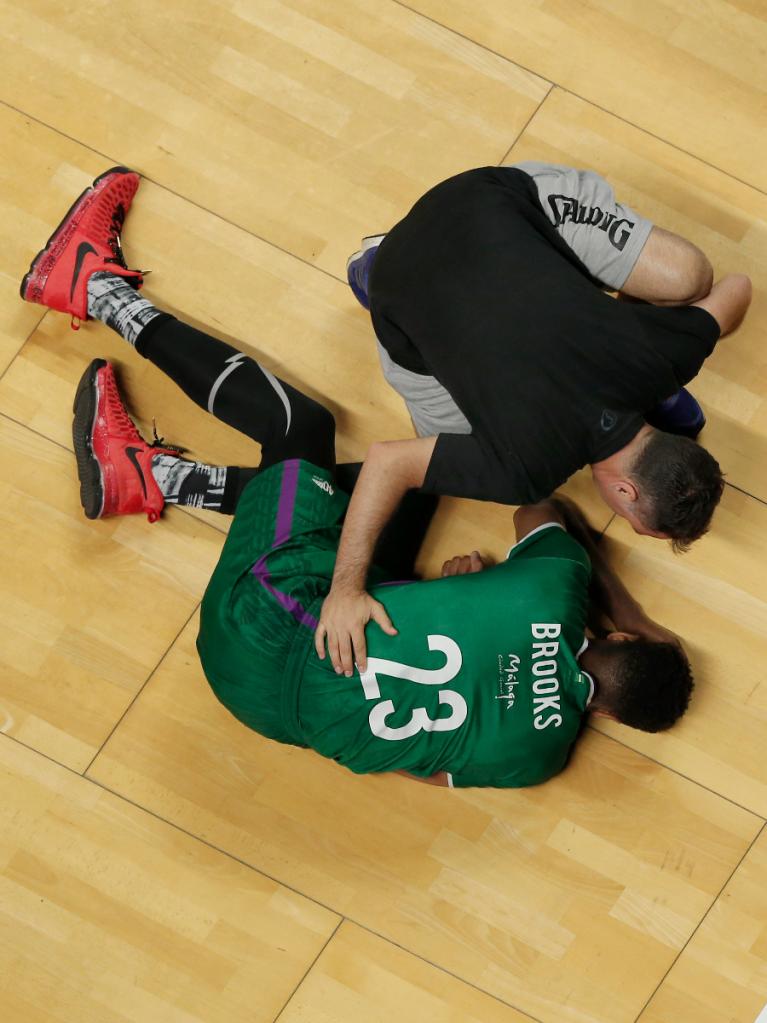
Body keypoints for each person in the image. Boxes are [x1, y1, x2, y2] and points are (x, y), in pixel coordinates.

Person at [20, 167, 693, 789]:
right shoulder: (534, 761)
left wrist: (616, 607)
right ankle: (153, 477)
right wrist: (445, 610)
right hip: (255, 703)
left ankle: (92, 287)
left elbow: (537, 507)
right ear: (607, 720)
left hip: (271, 614)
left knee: (299, 428)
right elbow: (419, 766)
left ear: (624, 637)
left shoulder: (557, 590)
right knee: (421, 484)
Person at [322, 163, 753, 675]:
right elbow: (386, 462)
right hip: (404, 272)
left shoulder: (664, 358)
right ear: (626, 494)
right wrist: (345, 588)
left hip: (473, 196)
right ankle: (373, 267)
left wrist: (630, 327)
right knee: (444, 447)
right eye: (636, 525)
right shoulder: (523, 471)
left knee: (688, 279)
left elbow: (739, 286)